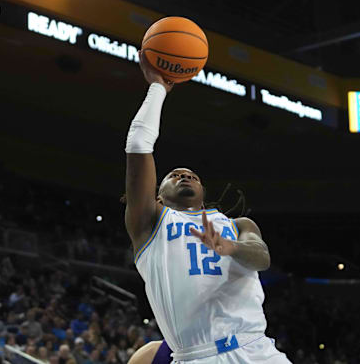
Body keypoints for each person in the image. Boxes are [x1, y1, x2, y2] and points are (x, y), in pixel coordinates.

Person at [123, 52, 290, 362]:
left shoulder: (238, 225)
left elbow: (262, 257)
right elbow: (137, 146)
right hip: (194, 356)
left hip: (256, 350)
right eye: (174, 175)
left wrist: (229, 247)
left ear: (202, 191)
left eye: (192, 175)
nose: (185, 175)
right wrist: (158, 88)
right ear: (157, 196)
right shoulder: (149, 223)